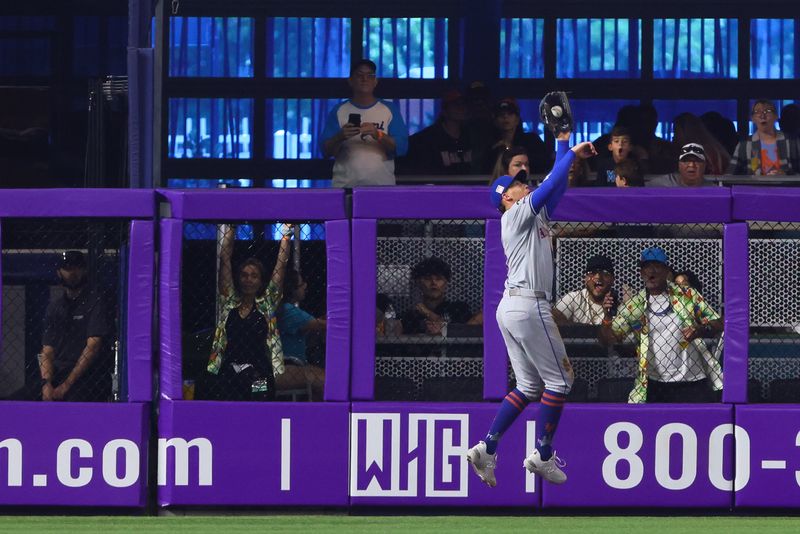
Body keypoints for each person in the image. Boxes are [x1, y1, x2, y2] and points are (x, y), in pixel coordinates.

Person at [466, 111, 596, 487]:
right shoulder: (514, 215)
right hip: (528, 304)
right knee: (561, 382)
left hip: (511, 306)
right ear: (506, 197)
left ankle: (487, 447)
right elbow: (554, 180)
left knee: (528, 387)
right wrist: (571, 153)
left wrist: (562, 141)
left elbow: (558, 186)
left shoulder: (530, 215)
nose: (525, 185)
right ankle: (541, 455)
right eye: (518, 184)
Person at [599, 247, 723, 403]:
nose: (651, 271)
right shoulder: (634, 306)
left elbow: (719, 322)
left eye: (656, 266)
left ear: (666, 271)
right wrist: (606, 317)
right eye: (646, 267)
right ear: (641, 273)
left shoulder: (687, 295)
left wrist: (701, 329)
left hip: (692, 380)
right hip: (654, 384)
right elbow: (608, 339)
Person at [205, 224, 293, 401]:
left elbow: (281, 265)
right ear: (238, 278)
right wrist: (230, 227)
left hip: (258, 373)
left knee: (259, 402)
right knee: (227, 404)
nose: (248, 280)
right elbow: (224, 259)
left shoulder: (267, 304)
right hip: (229, 371)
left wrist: (286, 234)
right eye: (244, 275)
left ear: (261, 281)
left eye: (254, 276)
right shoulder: (229, 301)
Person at [321, 59, 409, 187]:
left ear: (375, 82)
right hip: (346, 186)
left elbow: (402, 147)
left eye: (370, 75)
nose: (365, 79)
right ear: (350, 81)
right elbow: (325, 151)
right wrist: (340, 137)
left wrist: (378, 134)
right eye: (359, 75)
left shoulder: (389, 109)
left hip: (381, 186)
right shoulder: (339, 110)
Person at [38, 251, 111, 402]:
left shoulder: (95, 302)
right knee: (21, 397)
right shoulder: (55, 307)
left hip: (88, 376)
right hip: (58, 372)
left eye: (77, 267)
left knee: (74, 399)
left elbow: (93, 346)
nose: (72, 273)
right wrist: (46, 384)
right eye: (68, 268)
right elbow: (47, 351)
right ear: (59, 272)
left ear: (84, 270)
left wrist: (66, 385)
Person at [276, 269, 326, 398]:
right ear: (291, 289)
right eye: (301, 283)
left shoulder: (283, 307)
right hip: (281, 371)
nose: (305, 286)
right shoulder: (287, 309)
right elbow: (324, 325)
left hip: (290, 368)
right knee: (327, 382)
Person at [401, 90, 473, 175]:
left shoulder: (471, 137)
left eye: (463, 104)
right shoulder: (426, 140)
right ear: (445, 110)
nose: (461, 108)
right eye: (456, 104)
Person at [400, 257, 473, 335]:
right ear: (419, 283)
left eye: (439, 279)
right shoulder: (411, 316)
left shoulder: (458, 309)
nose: (433, 283)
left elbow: (464, 331)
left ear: (446, 283)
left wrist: (426, 312)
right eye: (428, 279)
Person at [479, 98, 551, 175]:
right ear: (495, 121)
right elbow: (484, 169)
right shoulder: (490, 145)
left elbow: (544, 162)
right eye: (501, 114)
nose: (505, 117)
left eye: (510, 114)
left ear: (517, 119)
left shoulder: (532, 140)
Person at [729, 100, 798, 175]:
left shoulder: (792, 142)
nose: (762, 116)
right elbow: (730, 176)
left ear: (776, 116)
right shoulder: (744, 145)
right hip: (755, 187)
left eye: (767, 111)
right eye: (757, 112)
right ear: (753, 118)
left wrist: (786, 175)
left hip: (785, 186)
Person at [553, 255, 616, 326]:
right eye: (592, 272)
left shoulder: (617, 307)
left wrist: (607, 315)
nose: (598, 277)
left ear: (612, 280)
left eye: (604, 273)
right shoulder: (575, 298)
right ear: (586, 279)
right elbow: (553, 318)